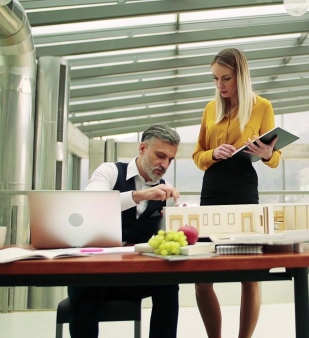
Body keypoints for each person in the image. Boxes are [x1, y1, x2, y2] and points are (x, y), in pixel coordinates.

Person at [192, 48, 281, 338]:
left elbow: (275, 158)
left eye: (226, 78)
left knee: (249, 275)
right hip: (212, 191)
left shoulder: (262, 107)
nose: (220, 85)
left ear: (241, 76)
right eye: (215, 79)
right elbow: (196, 155)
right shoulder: (210, 109)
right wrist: (213, 153)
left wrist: (268, 153)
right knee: (202, 278)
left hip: (244, 190)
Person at [68, 124, 181, 338]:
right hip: (98, 273)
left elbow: (162, 238)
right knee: (84, 284)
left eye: (170, 159)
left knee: (169, 284)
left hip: (136, 277)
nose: (164, 164)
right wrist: (141, 195)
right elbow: (91, 203)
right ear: (142, 148)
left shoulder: (166, 190)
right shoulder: (109, 171)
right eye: (160, 155)